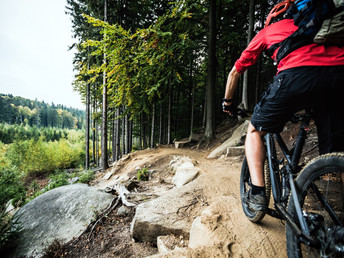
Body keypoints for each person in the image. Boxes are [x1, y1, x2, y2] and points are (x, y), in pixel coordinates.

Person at [223, 0, 344, 212]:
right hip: (338, 77)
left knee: (254, 131)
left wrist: (228, 102)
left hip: (295, 77)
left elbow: (235, 72)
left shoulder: (268, 31)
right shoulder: (320, 25)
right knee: (336, 152)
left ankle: (258, 194)